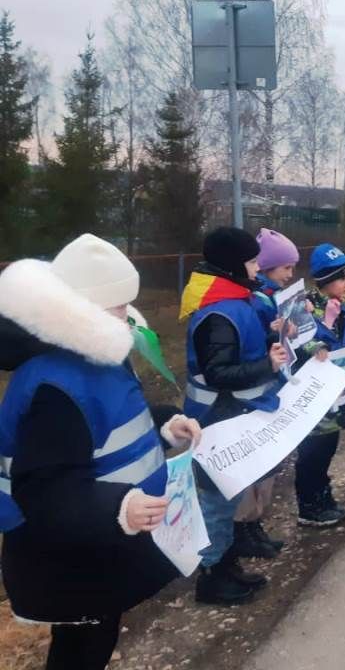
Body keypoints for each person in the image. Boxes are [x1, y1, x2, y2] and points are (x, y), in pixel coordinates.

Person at [0, 234, 201, 670]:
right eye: (116, 306)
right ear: (79, 309)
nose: (127, 315)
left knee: (98, 634)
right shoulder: (54, 386)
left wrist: (166, 426)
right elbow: (45, 490)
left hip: (96, 539)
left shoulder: (96, 354)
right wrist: (121, 506)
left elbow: (113, 423)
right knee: (79, 649)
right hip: (66, 554)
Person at [180, 227, 288, 605]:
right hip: (214, 421)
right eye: (254, 260)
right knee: (215, 500)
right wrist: (267, 366)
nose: (259, 266)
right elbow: (218, 373)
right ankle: (211, 577)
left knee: (228, 497)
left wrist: (271, 331)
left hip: (233, 416)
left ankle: (226, 566)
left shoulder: (236, 302)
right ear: (233, 264)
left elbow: (241, 348)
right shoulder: (218, 314)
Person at [227, 228, 300, 560]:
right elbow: (251, 344)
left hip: (270, 387)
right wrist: (273, 329)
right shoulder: (254, 300)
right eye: (286, 267)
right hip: (251, 394)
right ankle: (242, 528)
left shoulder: (271, 298)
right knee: (253, 465)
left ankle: (254, 524)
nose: (291, 274)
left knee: (268, 462)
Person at [294, 243, 345, 526]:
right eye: (342, 278)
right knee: (312, 451)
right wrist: (321, 336)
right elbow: (304, 344)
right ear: (325, 280)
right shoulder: (304, 307)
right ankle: (309, 506)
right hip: (313, 394)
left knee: (328, 446)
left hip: (336, 395)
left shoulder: (342, 309)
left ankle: (323, 497)